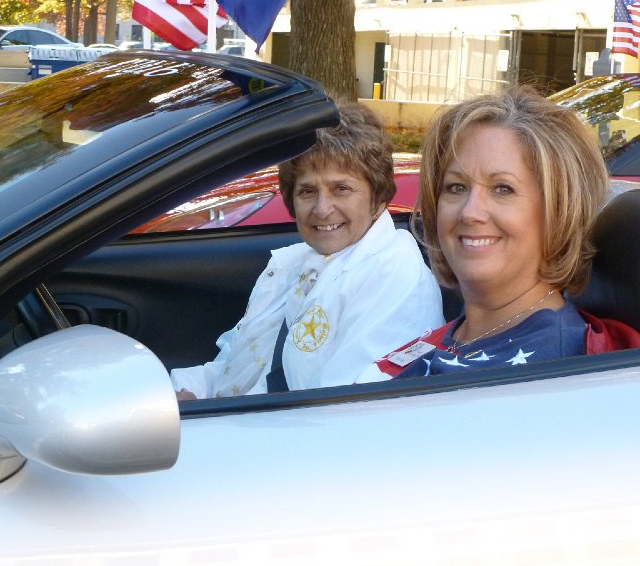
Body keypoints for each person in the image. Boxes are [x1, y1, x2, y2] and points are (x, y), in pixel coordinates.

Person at [358, 87, 640, 382]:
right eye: (456, 187)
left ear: (558, 211)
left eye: (502, 189)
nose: (470, 212)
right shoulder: (449, 340)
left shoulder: (557, 375)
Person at [172, 102, 445, 399]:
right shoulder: (292, 265)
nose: (322, 209)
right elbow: (236, 365)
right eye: (307, 191)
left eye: (341, 189)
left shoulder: (393, 276)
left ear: (378, 199)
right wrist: (190, 395)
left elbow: (340, 408)